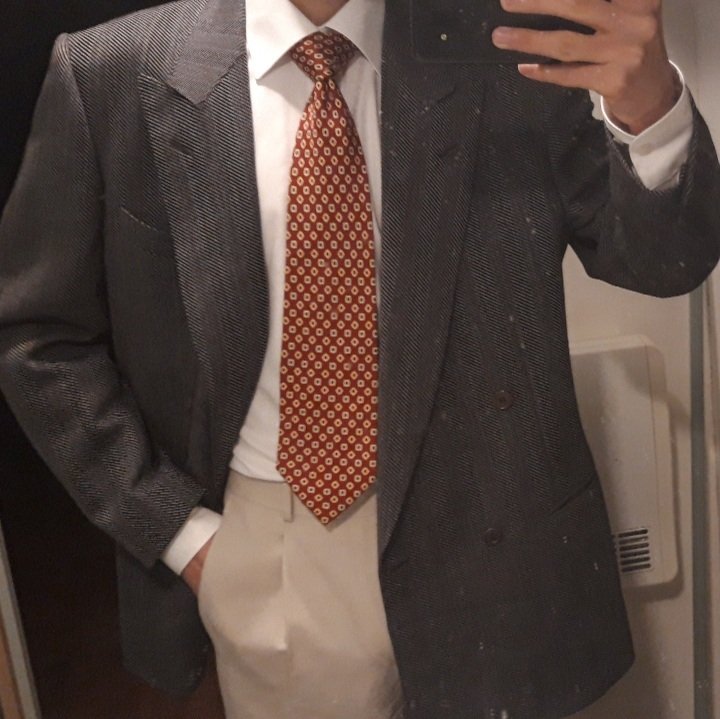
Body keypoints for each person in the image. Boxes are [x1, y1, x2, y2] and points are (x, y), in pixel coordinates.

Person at [0, 0, 718, 716]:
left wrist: (648, 108)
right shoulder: (114, 71)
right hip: (276, 540)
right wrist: (181, 533)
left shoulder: (505, 51)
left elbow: (662, 261)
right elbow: (38, 337)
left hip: (497, 531)